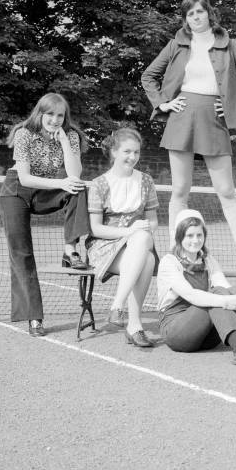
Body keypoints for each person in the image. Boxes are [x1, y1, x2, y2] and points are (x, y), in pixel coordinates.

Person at [141, 0, 236, 270]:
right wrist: (163, 103)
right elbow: (148, 76)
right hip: (181, 118)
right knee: (180, 189)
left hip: (214, 121)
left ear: (209, 13)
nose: (196, 17)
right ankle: (177, 256)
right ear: (185, 19)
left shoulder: (229, 44)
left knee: (227, 191)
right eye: (190, 14)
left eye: (200, 12)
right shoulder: (176, 44)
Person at [0, 92, 90, 337]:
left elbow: (74, 174)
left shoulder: (69, 136)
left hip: (44, 191)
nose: (55, 119)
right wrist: (61, 184)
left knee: (78, 189)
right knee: (22, 254)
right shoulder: (24, 134)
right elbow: (25, 178)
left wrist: (62, 141)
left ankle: (70, 250)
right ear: (40, 113)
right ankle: (34, 318)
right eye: (50, 114)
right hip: (16, 191)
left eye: (60, 115)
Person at [157, 209, 236, 369]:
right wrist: (228, 300)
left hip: (207, 336)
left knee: (221, 291)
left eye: (199, 235)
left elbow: (224, 285)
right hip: (178, 333)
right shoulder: (169, 262)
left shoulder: (208, 260)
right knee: (217, 296)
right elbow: (192, 295)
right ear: (179, 237)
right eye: (189, 235)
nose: (195, 240)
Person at [86, 128, 159, 347]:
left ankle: (118, 309)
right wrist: (131, 231)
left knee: (145, 248)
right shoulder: (99, 184)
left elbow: (153, 221)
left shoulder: (146, 181)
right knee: (147, 258)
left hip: (138, 243)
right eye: (127, 151)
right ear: (114, 152)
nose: (132, 157)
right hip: (105, 245)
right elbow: (96, 229)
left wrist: (142, 230)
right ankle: (133, 324)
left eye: (136, 152)